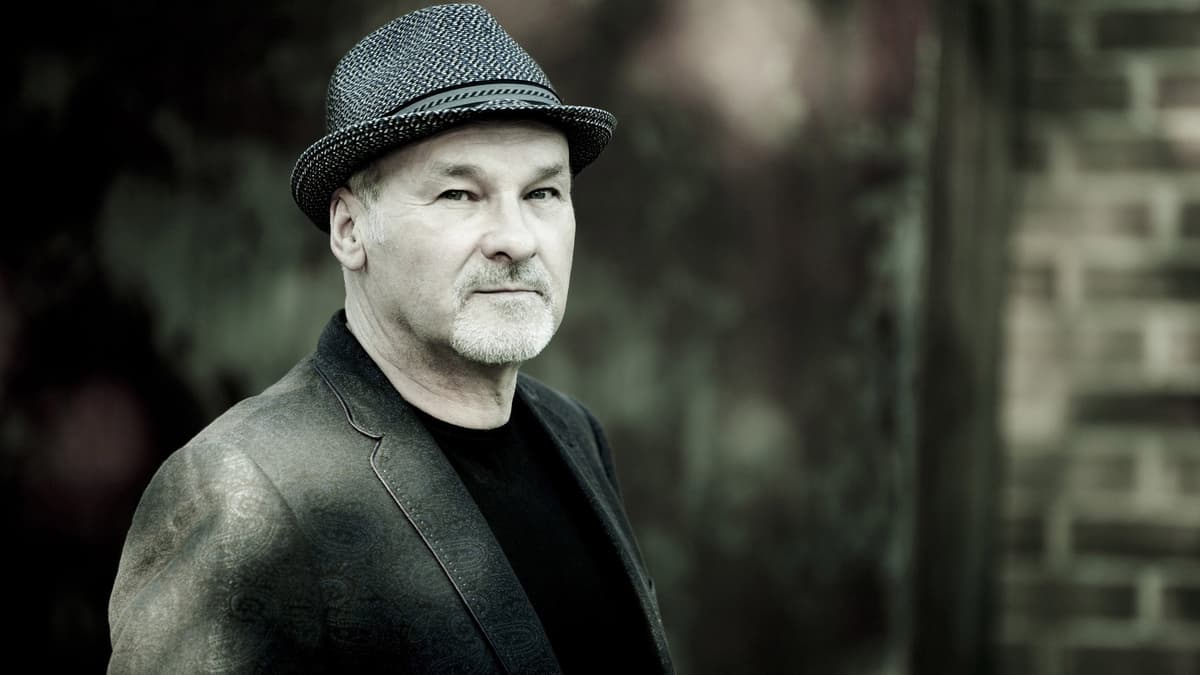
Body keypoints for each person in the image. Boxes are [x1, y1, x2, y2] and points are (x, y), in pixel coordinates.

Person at [106, 4, 674, 673]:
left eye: (543, 193)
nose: (517, 239)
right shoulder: (239, 489)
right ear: (349, 230)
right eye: (459, 194)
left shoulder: (575, 433)